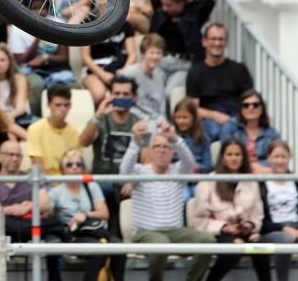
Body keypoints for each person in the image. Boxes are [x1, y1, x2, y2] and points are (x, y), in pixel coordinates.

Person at [120, 119, 215, 281]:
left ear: (173, 152)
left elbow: (190, 162)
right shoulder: (139, 171)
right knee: (160, 243)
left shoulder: (179, 170)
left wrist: (176, 139)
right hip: (145, 233)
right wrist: (135, 142)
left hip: (175, 231)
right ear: (150, 151)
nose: (162, 151)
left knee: (208, 240)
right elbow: (124, 172)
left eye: (166, 147)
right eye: (157, 147)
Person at [191, 137, 268, 281]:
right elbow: (199, 220)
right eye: (230, 154)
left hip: (244, 231)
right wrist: (224, 227)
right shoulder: (208, 182)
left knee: (261, 247)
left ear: (243, 157)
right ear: (222, 157)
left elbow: (257, 215)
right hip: (218, 233)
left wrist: (250, 225)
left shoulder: (252, 182)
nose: (234, 158)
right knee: (234, 248)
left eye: (237, 155)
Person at [0, 140, 57, 281]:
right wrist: (22, 208)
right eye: (10, 154)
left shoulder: (31, 177)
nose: (14, 159)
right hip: (6, 230)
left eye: (18, 155)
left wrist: (26, 207)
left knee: (55, 232)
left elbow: (46, 204)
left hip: (32, 228)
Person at [47, 149, 126, 281]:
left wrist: (85, 215)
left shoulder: (92, 186)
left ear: (84, 169)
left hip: (94, 231)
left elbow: (104, 213)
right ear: (62, 169)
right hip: (72, 235)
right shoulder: (56, 192)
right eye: (69, 164)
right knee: (98, 251)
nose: (75, 167)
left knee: (120, 250)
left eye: (79, 164)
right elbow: (48, 217)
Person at [79, 75, 137, 233]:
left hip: (127, 182)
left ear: (133, 97)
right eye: (116, 94)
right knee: (104, 190)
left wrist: (133, 181)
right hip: (101, 181)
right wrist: (98, 115)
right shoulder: (101, 119)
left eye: (126, 94)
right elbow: (83, 142)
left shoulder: (138, 123)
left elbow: (145, 160)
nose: (120, 98)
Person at [186, 22, 254, 141]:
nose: (217, 43)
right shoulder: (195, 72)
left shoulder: (239, 69)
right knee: (216, 131)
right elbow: (193, 109)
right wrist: (215, 115)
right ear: (204, 42)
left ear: (226, 42)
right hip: (209, 119)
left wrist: (234, 119)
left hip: (235, 117)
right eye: (213, 39)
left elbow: (249, 102)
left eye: (221, 39)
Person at [148, 0, 215, 68]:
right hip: (160, 60)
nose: (164, 8)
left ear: (181, 2)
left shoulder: (193, 14)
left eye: (169, 5)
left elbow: (208, 0)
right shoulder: (161, 12)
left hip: (183, 62)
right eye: (163, 4)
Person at [80, 3, 136, 106]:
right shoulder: (87, 24)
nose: (108, 1)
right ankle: (102, 119)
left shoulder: (125, 24)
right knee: (99, 95)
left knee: (128, 93)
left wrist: (125, 70)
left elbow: (132, 54)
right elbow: (85, 57)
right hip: (94, 69)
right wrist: (103, 75)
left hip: (119, 67)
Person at [258, 140, 298, 281]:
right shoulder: (261, 185)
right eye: (276, 157)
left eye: (283, 157)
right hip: (272, 231)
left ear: (289, 158)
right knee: (285, 239)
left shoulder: (295, 181)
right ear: (268, 158)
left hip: (296, 227)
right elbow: (261, 222)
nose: (280, 161)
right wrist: (284, 228)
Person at [219, 89, 280, 172]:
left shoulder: (272, 133)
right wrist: (250, 166)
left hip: (263, 173)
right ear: (241, 109)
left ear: (262, 108)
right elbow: (225, 154)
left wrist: (261, 167)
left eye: (255, 105)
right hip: (236, 172)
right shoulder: (230, 127)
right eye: (246, 105)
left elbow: (277, 157)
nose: (251, 108)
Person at [26, 83, 81, 176]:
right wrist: (55, 187)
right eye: (58, 105)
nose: (63, 109)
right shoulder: (35, 129)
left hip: (68, 182)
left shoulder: (74, 132)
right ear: (48, 105)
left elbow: (75, 164)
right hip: (44, 182)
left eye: (66, 105)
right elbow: (37, 164)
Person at [119, 33, 168, 121]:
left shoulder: (161, 75)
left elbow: (162, 107)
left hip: (158, 122)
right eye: (151, 53)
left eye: (158, 53)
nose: (155, 57)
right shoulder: (130, 73)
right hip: (138, 121)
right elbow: (121, 103)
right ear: (143, 53)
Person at [172, 97, 213, 177]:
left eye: (185, 117)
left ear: (194, 118)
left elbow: (208, 166)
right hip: (178, 179)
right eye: (178, 117)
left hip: (197, 179)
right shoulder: (171, 139)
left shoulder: (203, 138)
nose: (181, 121)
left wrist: (199, 168)